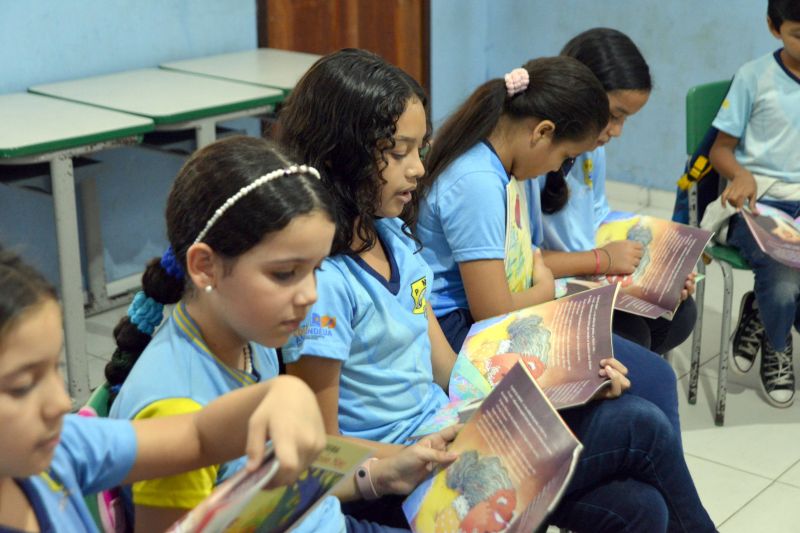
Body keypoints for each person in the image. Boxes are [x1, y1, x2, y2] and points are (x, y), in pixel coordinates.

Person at [279, 48, 714, 532]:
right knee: (640, 425)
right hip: (403, 473)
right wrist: (414, 455)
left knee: (639, 506)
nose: (419, 169)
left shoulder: (395, 240)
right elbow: (324, 452)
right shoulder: (322, 284)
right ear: (342, 152)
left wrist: (569, 385)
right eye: (399, 152)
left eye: (419, 150)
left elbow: (450, 372)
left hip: (447, 433)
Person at [106, 137, 456, 533]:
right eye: (285, 274)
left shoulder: (253, 336)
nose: (309, 295)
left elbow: (289, 485)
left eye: (315, 269)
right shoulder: (174, 409)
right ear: (205, 267)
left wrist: (381, 475)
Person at [416, 55, 682, 436]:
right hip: (459, 330)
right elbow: (492, 312)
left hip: (497, 308)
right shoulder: (477, 180)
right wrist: (545, 292)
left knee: (648, 376)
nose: (559, 169)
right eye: (565, 156)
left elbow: (524, 258)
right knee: (650, 385)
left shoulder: (503, 162)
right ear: (541, 132)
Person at [0, 246, 326, 532]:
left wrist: (283, 392)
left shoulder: (63, 448)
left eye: (55, 369)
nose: (60, 402)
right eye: (22, 386)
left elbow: (198, 437)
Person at [532, 27, 697, 355]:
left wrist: (660, 270)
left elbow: (599, 217)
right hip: (550, 284)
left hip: (587, 272)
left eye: (625, 120)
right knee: (631, 335)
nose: (618, 131)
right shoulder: (533, 157)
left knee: (678, 313)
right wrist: (601, 261)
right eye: (613, 116)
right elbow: (522, 264)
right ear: (579, 94)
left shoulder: (592, 149)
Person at [708, 0, 800, 407]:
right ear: (773, 27)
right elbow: (719, 151)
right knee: (783, 284)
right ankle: (778, 346)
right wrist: (741, 174)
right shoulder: (754, 77)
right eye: (799, 34)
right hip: (758, 203)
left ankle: (759, 313)